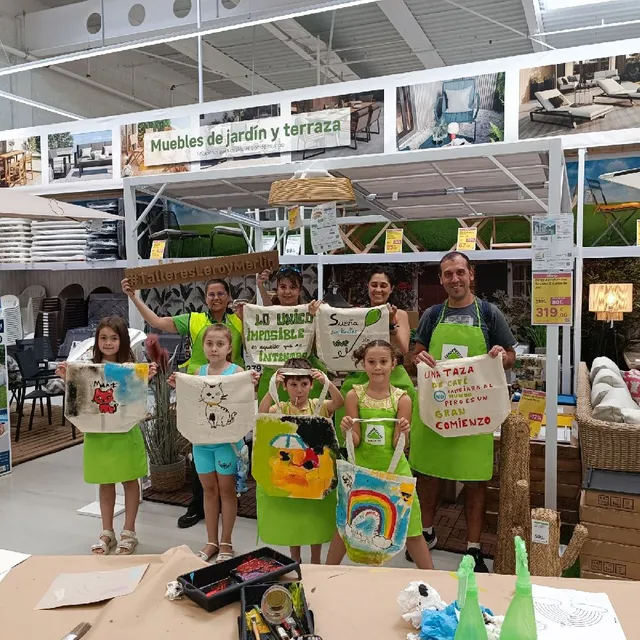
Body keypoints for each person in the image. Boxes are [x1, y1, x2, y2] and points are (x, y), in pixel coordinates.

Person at [410, 251, 516, 573]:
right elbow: (417, 351)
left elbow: (511, 355)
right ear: (441, 279)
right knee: (426, 475)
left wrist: (500, 354)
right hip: (437, 408)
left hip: (474, 412)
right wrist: (420, 358)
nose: (454, 279)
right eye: (447, 274)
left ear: (471, 274)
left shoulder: (489, 313)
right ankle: (426, 534)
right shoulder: (431, 315)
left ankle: (473, 549)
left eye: (459, 272)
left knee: (475, 480)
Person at [121, 276, 244, 529]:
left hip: (229, 395)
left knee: (229, 451)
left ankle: (230, 505)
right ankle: (198, 505)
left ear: (229, 296)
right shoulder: (194, 319)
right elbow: (156, 322)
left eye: (221, 293)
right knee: (200, 449)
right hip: (196, 392)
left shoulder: (240, 320)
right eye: (211, 294)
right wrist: (134, 296)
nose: (216, 298)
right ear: (205, 297)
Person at [326, 340, 434, 570]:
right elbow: (356, 440)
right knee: (346, 523)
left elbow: (399, 445)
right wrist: (347, 429)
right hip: (361, 469)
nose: (377, 367)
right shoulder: (354, 396)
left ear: (393, 363)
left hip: (395, 470)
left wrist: (403, 433)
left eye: (383, 362)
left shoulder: (403, 398)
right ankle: (326, 572)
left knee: (412, 526)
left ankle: (433, 578)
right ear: (363, 364)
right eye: (371, 362)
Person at [56, 316, 157, 556]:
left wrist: (145, 378)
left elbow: (135, 400)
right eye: (103, 338)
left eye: (114, 338)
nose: (108, 343)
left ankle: (129, 531)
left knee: (130, 480)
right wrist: (67, 378)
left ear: (122, 341)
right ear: (96, 340)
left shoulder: (131, 368)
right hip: (99, 435)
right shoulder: (86, 368)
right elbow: (79, 397)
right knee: (105, 481)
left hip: (125, 434)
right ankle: (106, 531)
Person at [169, 324, 259, 562]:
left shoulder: (237, 371)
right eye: (209, 343)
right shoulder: (199, 372)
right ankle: (211, 541)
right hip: (201, 443)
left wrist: (253, 383)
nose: (214, 348)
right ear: (203, 346)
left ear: (230, 347)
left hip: (227, 444)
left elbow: (246, 401)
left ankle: (226, 542)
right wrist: (177, 385)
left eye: (220, 344)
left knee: (227, 492)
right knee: (208, 491)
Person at [257, 357, 344, 564]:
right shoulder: (281, 408)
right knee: (294, 520)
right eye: (293, 385)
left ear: (311, 385)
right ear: (286, 387)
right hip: (292, 476)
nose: (299, 390)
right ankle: (295, 558)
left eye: (304, 384)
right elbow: (261, 412)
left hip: (315, 475)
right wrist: (273, 386)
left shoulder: (319, 405)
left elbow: (339, 402)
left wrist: (327, 382)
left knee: (313, 519)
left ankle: (315, 559)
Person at [333, 268, 414, 448]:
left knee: (409, 393)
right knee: (346, 392)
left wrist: (392, 324)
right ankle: (348, 449)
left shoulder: (400, 314)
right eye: (374, 285)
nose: (378, 289)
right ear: (368, 287)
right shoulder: (356, 313)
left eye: (383, 285)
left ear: (391, 289)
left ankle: (399, 446)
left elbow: (403, 348)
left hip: (392, 373)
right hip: (361, 371)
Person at [255, 266, 323, 402]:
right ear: (277, 289)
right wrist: (260, 286)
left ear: (299, 290)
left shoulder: (310, 310)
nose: (287, 291)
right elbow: (270, 312)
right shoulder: (272, 312)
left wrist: (319, 313)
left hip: (304, 372)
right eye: (283, 287)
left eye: (292, 287)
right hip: (276, 372)